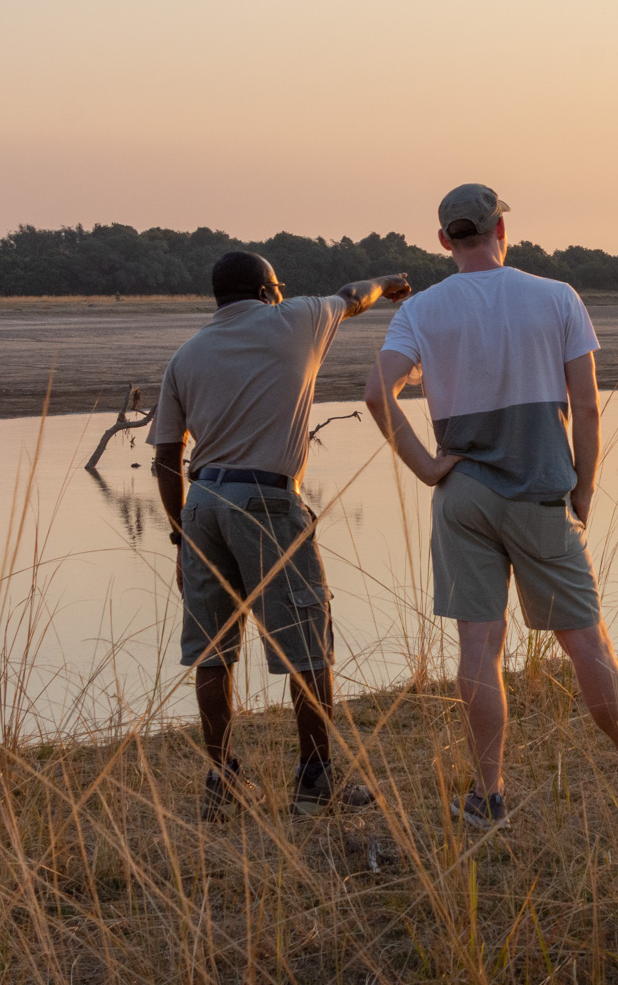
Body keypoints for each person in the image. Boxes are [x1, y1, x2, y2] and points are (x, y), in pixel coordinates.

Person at [364, 184, 618, 827]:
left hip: (462, 495)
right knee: (587, 643)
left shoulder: (421, 311)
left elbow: (379, 393)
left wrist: (427, 467)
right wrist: (584, 490)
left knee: (478, 645)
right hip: (541, 492)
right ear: (501, 231)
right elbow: (588, 408)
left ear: (445, 240)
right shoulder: (556, 296)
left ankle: (487, 796)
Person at [151, 251, 410, 821]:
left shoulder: (186, 355)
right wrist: (387, 283)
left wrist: (180, 536)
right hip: (267, 502)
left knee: (212, 650)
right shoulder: (297, 318)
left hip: (202, 504)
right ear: (269, 291)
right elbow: (352, 295)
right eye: (279, 287)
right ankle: (315, 781)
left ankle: (223, 780)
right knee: (306, 642)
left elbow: (167, 457)